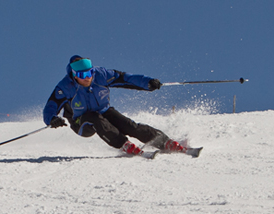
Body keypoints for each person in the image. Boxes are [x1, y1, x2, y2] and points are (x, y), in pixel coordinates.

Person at [43, 55, 185, 155]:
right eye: (82, 76)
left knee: (129, 126)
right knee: (95, 118)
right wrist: (52, 119)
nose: (87, 78)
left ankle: (164, 142)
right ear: (74, 75)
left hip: (104, 111)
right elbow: (51, 105)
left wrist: (148, 83)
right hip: (80, 121)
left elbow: (125, 78)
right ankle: (123, 143)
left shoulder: (101, 75)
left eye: (89, 73)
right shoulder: (65, 87)